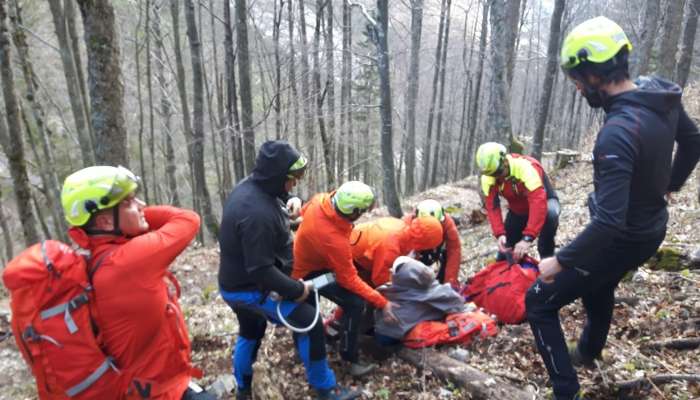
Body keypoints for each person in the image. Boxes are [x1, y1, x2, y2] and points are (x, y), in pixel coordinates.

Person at [527, 16, 700, 400]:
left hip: (625, 236)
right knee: (599, 282)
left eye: (576, 77)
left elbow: (607, 224)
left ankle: (565, 392)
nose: (575, 86)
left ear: (594, 72)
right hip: (651, 227)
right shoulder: (659, 93)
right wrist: (671, 184)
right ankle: (589, 351)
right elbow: (694, 141)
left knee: (538, 301)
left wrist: (561, 260)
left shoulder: (618, 132)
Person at [218, 140, 359, 400]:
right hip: (249, 289)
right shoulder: (257, 215)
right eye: (291, 180)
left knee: (250, 330)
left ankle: (243, 388)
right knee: (309, 322)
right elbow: (261, 270)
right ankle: (326, 388)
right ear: (277, 176)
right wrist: (297, 290)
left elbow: (273, 200)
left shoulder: (253, 187)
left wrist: (290, 201)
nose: (295, 184)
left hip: (234, 283)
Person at [61, 165, 213, 399]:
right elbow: (187, 220)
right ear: (103, 222)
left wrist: (130, 217)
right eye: (129, 202)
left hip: (142, 388)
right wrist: (138, 221)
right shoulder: (129, 261)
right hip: (159, 393)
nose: (142, 205)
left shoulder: (97, 257)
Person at [292, 181, 399, 377]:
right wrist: (382, 302)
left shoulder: (321, 200)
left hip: (315, 262)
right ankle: (349, 360)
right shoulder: (333, 239)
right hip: (306, 273)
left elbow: (303, 211)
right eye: (363, 211)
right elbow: (348, 278)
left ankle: (303, 350)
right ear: (353, 211)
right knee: (352, 303)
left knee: (308, 313)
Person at [475, 142, 560, 261]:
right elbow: (493, 207)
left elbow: (538, 203)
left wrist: (527, 238)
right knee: (505, 253)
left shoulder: (527, 168)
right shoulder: (489, 178)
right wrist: (500, 234)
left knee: (551, 214)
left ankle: (547, 260)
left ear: (504, 161)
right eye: (491, 174)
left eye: (498, 173)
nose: (496, 177)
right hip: (518, 210)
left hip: (545, 202)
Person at [350, 216, 444, 288]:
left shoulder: (407, 233)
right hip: (353, 259)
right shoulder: (391, 246)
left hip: (371, 257)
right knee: (360, 299)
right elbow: (379, 279)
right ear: (423, 243)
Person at [403, 200, 462, 288]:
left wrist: (450, 281)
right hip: (417, 250)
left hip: (437, 248)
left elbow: (454, 249)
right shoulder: (407, 224)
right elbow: (405, 254)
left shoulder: (447, 222)